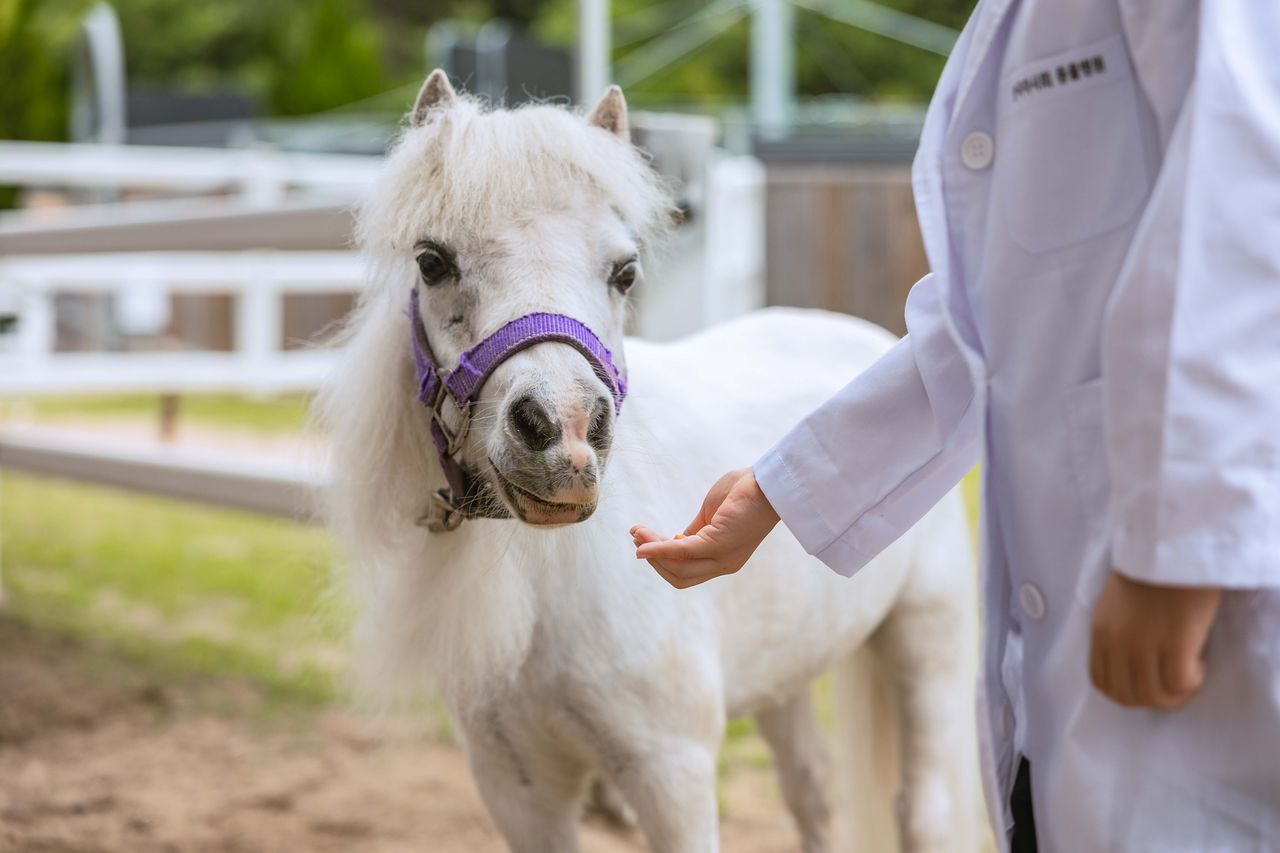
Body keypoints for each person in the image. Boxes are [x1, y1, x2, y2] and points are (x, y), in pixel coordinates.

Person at [631, 2, 1280, 850]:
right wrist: (778, 486)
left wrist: (1178, 551)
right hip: (1072, 640)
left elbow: (1245, 204)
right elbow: (982, 328)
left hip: (1199, 611)